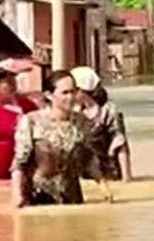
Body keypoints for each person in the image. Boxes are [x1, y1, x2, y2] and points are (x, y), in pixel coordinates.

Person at [10, 70, 99, 207]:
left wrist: (105, 188)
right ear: (49, 95)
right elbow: (19, 163)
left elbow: (89, 162)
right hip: (37, 198)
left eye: (73, 92)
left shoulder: (83, 122)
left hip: (72, 199)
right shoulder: (31, 121)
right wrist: (17, 196)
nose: (71, 97)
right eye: (65, 93)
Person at [71, 66, 131, 183]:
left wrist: (126, 178)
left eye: (73, 91)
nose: (70, 96)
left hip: (106, 172)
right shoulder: (69, 112)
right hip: (80, 176)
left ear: (82, 91)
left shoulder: (108, 111)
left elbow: (120, 143)